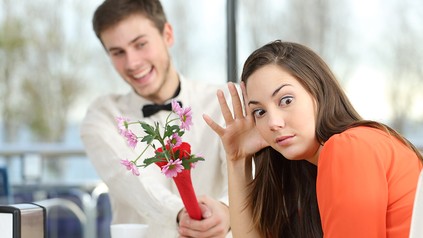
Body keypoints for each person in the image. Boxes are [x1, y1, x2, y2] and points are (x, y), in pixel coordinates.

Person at [203, 40, 423, 238]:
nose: (273, 122)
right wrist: (237, 159)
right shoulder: (312, 174)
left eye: (286, 100)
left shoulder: (349, 148)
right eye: (260, 112)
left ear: (318, 91)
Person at [80, 0, 231, 237]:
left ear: (167, 35)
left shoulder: (223, 102)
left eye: (140, 44)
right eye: (118, 52)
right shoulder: (103, 116)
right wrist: (182, 213)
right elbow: (132, 181)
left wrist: (226, 209)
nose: (132, 63)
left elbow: (246, 175)